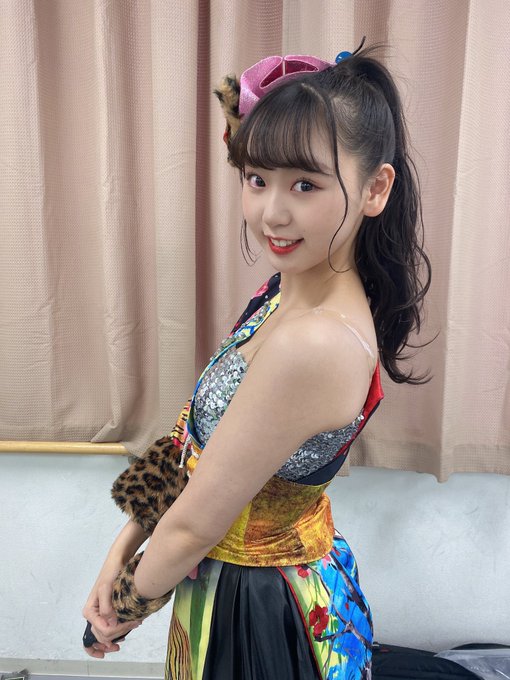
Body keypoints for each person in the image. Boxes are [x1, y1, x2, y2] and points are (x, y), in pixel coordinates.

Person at [82, 40, 431, 679]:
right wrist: (119, 553)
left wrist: (121, 608)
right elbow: (194, 439)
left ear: (376, 188)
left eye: (305, 184)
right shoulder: (281, 295)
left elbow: (194, 527)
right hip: (229, 585)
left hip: (261, 614)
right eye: (256, 179)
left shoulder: (314, 343)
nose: (272, 212)